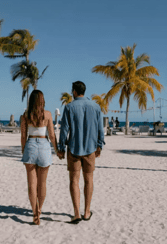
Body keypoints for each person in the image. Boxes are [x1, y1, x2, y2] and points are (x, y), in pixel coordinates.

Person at [57, 81, 105, 224]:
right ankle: (87, 211)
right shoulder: (96, 107)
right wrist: (99, 145)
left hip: (74, 148)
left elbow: (64, 129)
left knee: (74, 181)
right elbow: (100, 129)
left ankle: (77, 213)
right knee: (89, 179)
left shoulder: (69, 107)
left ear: (74, 91)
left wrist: (61, 148)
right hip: (90, 148)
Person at [20, 89, 58, 225]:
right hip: (44, 146)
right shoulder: (47, 114)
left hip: (30, 145)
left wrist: (23, 150)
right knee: (42, 184)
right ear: (42, 101)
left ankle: (35, 213)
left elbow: (23, 137)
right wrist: (57, 149)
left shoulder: (25, 116)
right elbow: (52, 136)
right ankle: (40, 209)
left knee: (32, 184)